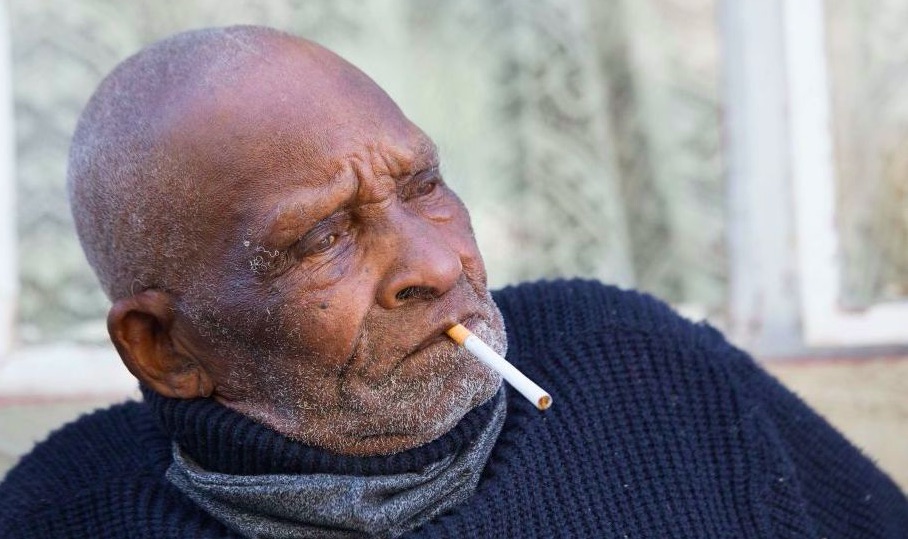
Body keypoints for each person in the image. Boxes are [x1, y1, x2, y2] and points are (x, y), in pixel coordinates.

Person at [0, 25, 906, 539]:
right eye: (324, 237)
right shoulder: (59, 513)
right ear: (165, 347)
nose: (437, 266)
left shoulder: (647, 376)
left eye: (424, 186)